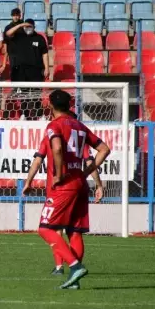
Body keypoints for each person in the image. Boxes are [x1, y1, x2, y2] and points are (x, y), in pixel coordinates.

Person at [28, 90, 110, 289]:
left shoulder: (54, 126)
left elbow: (56, 148)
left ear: (50, 105)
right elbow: (104, 149)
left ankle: (74, 266)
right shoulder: (79, 125)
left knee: (45, 228)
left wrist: (57, 174)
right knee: (75, 232)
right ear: (69, 105)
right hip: (80, 183)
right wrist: (86, 172)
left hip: (64, 186)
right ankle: (74, 282)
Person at [5, 19, 49, 120]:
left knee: (36, 94)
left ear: (34, 27)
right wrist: (21, 25)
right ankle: (24, 115)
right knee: (23, 94)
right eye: (26, 27)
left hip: (36, 71)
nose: (28, 28)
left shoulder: (39, 38)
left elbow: (45, 53)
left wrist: (47, 68)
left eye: (30, 26)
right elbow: (8, 33)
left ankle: (40, 115)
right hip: (22, 71)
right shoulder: (19, 36)